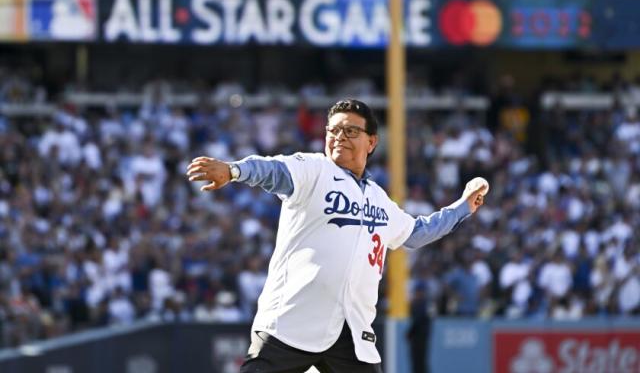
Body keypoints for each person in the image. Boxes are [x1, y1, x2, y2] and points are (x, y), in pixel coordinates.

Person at [186, 99, 487, 372]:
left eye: (351, 131)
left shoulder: (379, 198)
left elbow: (417, 232)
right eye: (334, 130)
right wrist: (234, 171)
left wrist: (462, 207)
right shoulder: (313, 169)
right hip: (291, 323)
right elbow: (272, 171)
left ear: (372, 142)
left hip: (351, 334)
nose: (340, 137)